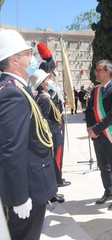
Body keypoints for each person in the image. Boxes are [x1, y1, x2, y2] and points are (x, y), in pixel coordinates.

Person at [0, 29, 58, 240]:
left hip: (32, 182)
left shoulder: (16, 87)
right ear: (14, 60)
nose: (31, 56)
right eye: (27, 53)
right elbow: (12, 151)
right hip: (29, 190)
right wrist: (20, 197)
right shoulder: (12, 93)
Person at [85, 59, 112, 210]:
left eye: (98, 69)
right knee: (103, 166)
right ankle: (109, 191)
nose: (95, 72)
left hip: (111, 135)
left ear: (108, 72)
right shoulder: (96, 90)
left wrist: (95, 129)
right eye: (96, 69)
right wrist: (90, 128)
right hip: (97, 135)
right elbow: (89, 110)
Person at [29, 69, 70, 203]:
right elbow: (44, 120)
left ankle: (54, 190)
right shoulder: (43, 99)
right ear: (41, 84)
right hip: (52, 135)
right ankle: (53, 192)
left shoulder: (45, 96)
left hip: (55, 132)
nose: (49, 80)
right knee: (54, 162)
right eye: (46, 79)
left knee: (55, 162)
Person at [37, 41, 71, 188]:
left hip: (57, 123)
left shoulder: (52, 87)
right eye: (52, 71)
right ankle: (57, 179)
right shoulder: (47, 91)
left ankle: (58, 176)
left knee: (58, 153)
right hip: (53, 126)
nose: (55, 73)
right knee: (56, 154)